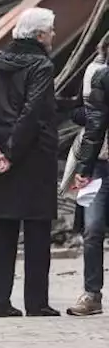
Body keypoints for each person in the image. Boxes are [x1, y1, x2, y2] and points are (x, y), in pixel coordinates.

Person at [0, 7, 60, 317]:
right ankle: (36, 302)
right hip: (33, 160)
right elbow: (32, 114)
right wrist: (10, 151)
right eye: (51, 31)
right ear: (39, 36)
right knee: (36, 232)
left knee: (0, 233)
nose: (54, 36)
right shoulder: (42, 66)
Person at [69, 36, 109, 316]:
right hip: (97, 164)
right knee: (92, 228)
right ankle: (92, 294)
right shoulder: (99, 77)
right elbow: (91, 124)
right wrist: (83, 169)